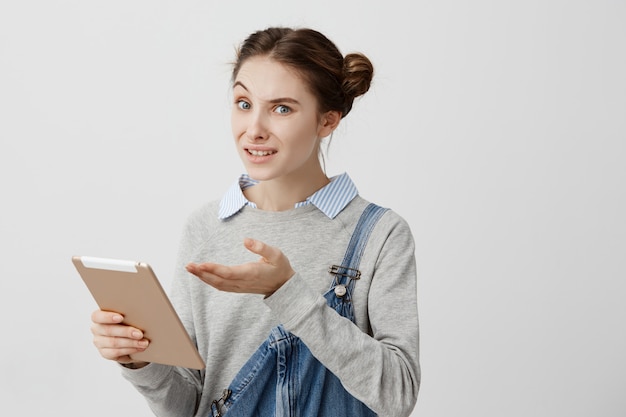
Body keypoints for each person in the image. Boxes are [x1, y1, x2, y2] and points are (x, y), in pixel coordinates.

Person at [90, 26, 420, 417]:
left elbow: (398, 396)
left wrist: (287, 292)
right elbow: (187, 405)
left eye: (282, 108)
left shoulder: (380, 235)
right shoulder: (205, 227)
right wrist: (140, 361)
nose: (255, 129)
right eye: (244, 103)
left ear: (327, 121)